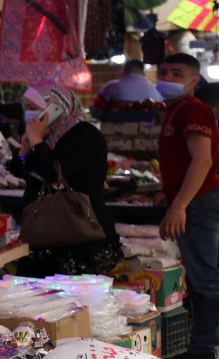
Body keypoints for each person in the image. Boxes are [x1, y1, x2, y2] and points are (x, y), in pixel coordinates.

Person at [8, 83, 122, 277]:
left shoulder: (85, 134)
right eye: (26, 108)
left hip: (78, 234)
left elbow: (53, 173)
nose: (28, 114)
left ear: (56, 108)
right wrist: (25, 150)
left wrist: (37, 142)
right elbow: (18, 170)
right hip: (44, 234)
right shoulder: (45, 138)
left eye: (33, 108)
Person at [155, 53, 219, 359]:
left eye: (176, 74)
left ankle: (205, 348)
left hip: (200, 202)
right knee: (204, 275)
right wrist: (165, 193)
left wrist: (178, 205)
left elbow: (202, 159)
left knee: (204, 278)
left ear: (194, 81)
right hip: (197, 199)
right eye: (163, 72)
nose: (166, 78)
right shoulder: (177, 109)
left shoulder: (191, 109)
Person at [89, 59, 163, 120]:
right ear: (143, 74)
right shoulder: (154, 90)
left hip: (114, 133)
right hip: (148, 134)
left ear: (122, 73)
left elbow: (95, 112)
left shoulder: (111, 87)